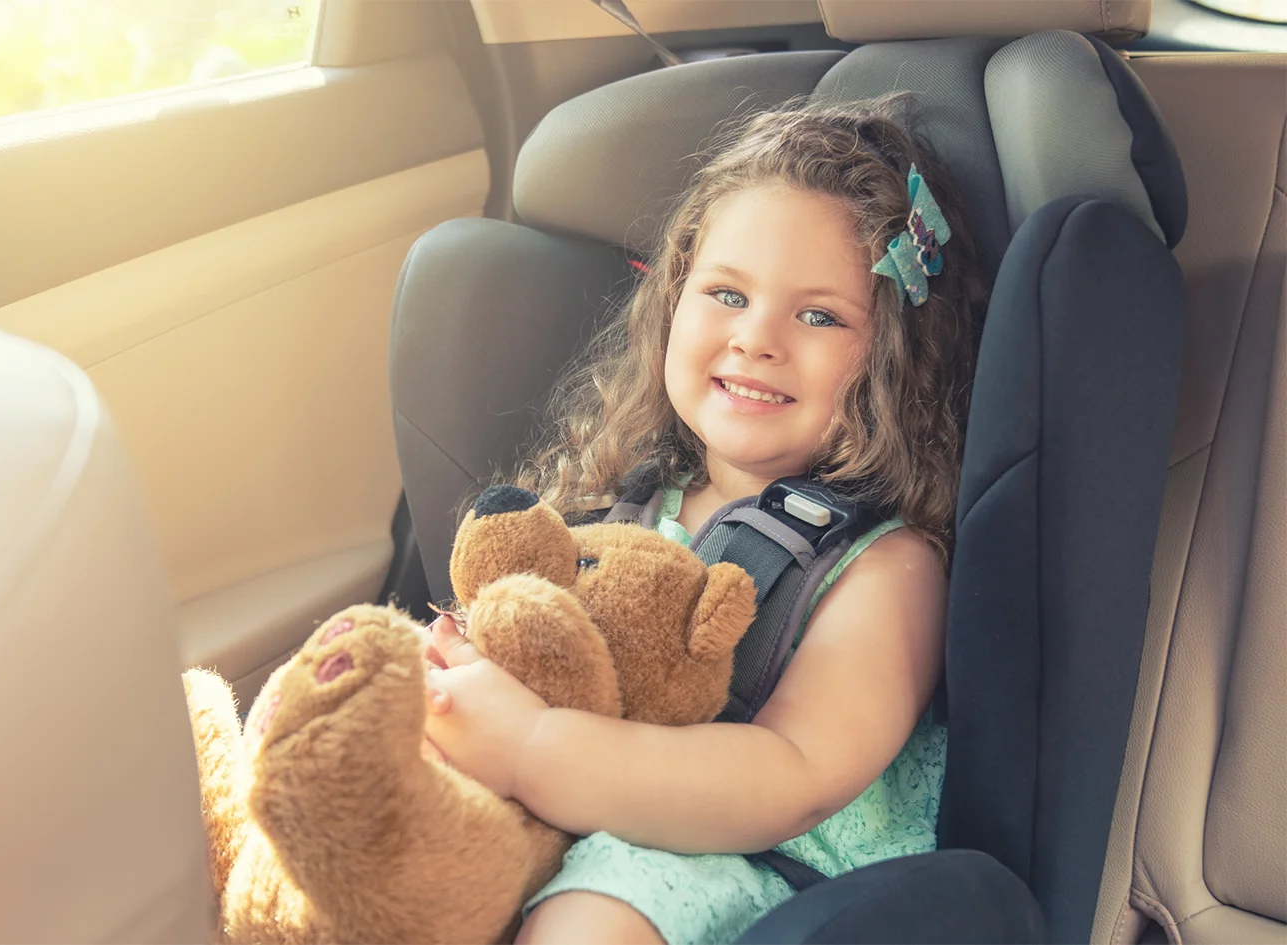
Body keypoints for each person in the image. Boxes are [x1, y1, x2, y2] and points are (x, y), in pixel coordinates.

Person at [419, 98, 989, 945]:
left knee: (594, 914)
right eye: (727, 292)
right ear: (674, 300)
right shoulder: (631, 495)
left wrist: (535, 746)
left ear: (893, 358)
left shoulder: (885, 567)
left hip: (756, 872)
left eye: (820, 314)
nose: (757, 337)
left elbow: (791, 774)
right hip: (578, 819)